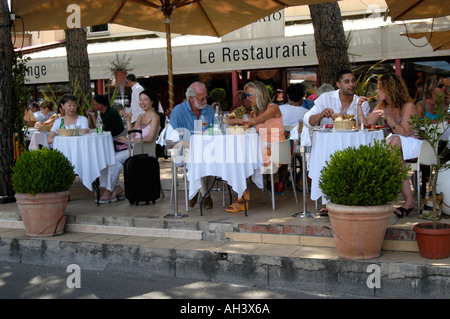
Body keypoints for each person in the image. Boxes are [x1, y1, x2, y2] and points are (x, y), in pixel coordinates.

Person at [358, 73, 422, 218]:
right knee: (382, 149)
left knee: (394, 141)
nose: (377, 92)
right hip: (396, 144)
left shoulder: (409, 105)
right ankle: (409, 201)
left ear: (389, 89)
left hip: (414, 143)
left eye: (379, 88)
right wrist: (359, 107)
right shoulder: (384, 105)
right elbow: (366, 125)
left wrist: (387, 118)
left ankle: (384, 190)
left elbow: (404, 133)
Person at [224, 80, 285, 213]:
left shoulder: (273, 108)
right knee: (235, 155)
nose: (247, 98)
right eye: (246, 96)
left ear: (260, 94)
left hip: (276, 150)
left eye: (249, 95)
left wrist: (231, 120)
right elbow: (247, 125)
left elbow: (255, 122)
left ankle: (242, 197)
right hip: (262, 148)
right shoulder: (254, 112)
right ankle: (242, 194)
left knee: (238, 158)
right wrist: (236, 123)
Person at [97, 90, 161, 204]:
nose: (142, 102)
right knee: (108, 159)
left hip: (144, 150)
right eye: (140, 100)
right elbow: (132, 134)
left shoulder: (155, 117)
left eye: (145, 99)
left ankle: (110, 190)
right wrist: (128, 121)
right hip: (134, 148)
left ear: (152, 101)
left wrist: (129, 140)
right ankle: (113, 188)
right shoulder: (141, 116)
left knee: (114, 159)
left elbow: (150, 138)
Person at [168, 81, 216, 209]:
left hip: (206, 148)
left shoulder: (209, 111)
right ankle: (205, 195)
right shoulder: (179, 111)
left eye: (206, 98)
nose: (205, 101)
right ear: (191, 98)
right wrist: (193, 145)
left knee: (216, 157)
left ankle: (198, 191)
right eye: (202, 99)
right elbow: (172, 139)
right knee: (198, 155)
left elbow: (217, 130)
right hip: (183, 149)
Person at [415, 74, 449, 197]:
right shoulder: (421, 105)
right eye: (440, 86)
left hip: (442, 143)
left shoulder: (445, 105)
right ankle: (425, 189)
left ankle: (441, 186)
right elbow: (418, 124)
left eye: (444, 86)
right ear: (431, 89)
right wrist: (440, 120)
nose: (444, 89)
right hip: (426, 142)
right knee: (433, 147)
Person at [303, 70, 370, 128]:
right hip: (329, 141)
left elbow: (364, 127)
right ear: (338, 85)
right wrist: (321, 115)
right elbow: (307, 121)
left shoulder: (362, 103)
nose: (351, 84)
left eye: (353, 81)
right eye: (347, 82)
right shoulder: (325, 98)